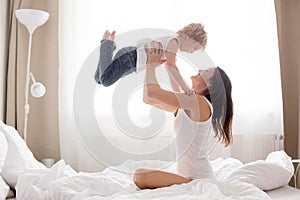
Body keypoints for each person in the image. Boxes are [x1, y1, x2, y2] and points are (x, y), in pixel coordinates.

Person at [133, 44, 233, 189]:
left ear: (210, 84)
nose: (199, 70)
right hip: (188, 178)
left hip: (198, 179)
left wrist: (151, 66)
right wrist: (168, 63)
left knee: (140, 176)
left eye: (205, 71)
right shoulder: (191, 103)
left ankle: (192, 185)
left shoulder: (199, 103)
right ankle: (187, 183)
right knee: (140, 175)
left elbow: (152, 93)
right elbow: (148, 98)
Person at [94, 23, 207, 94]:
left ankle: (109, 47)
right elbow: (172, 66)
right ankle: (108, 44)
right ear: (189, 37)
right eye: (195, 48)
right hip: (130, 57)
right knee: (106, 80)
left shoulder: (172, 49)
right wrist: (186, 88)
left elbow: (170, 70)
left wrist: (177, 93)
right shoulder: (174, 41)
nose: (192, 52)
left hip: (131, 62)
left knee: (99, 79)